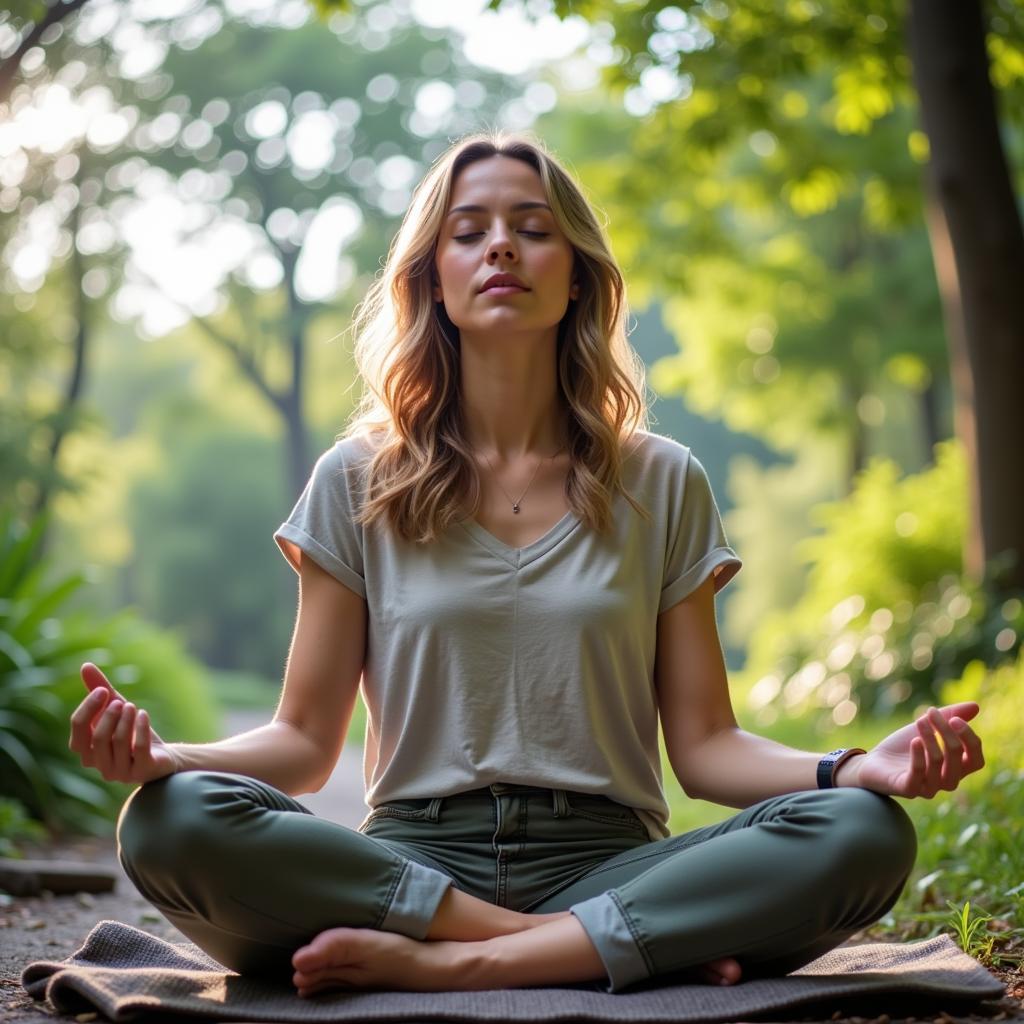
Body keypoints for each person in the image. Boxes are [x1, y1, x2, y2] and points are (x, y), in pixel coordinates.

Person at [69, 130, 985, 999]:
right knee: (169, 819)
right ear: (433, 278)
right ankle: (597, 947)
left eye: (533, 229)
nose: (500, 247)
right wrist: (166, 757)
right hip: (410, 867)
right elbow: (305, 746)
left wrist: (852, 770)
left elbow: (706, 750)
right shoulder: (356, 478)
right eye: (470, 232)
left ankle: (459, 966)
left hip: (611, 857)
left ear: (578, 277)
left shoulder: (662, 480)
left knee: (862, 832)